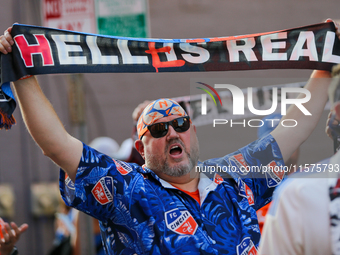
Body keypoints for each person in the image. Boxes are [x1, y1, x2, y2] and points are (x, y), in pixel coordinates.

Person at [0, 21, 338, 254]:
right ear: (140, 147)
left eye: (180, 123)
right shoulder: (126, 188)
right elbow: (55, 144)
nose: (172, 131)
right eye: (158, 130)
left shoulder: (235, 176)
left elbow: (296, 128)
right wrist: (20, 70)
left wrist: (326, 60)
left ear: (193, 130)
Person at [258, 64, 340, 255]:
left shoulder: (305, 186)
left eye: (277, 139)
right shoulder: (244, 193)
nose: (275, 148)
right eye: (268, 140)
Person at [256, 113, 300, 233]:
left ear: (299, 142)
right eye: (272, 142)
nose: (281, 147)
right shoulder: (247, 194)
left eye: (287, 140)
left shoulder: (317, 184)